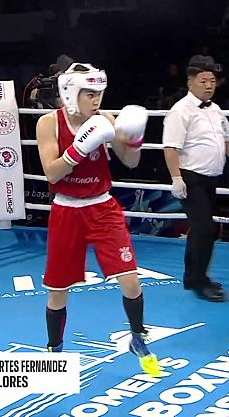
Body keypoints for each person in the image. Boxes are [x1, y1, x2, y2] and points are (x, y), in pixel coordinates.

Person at [35, 62, 161, 377]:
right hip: (66, 209)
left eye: (99, 92)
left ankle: (137, 338)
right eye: (89, 93)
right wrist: (78, 149)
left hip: (103, 207)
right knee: (58, 289)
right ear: (70, 92)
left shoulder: (106, 120)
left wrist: (133, 139)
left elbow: (131, 162)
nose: (96, 99)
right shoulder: (48, 124)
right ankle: (55, 351)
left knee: (131, 279)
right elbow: (51, 173)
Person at [162, 61, 229, 302]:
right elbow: (171, 147)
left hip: (211, 178)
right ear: (190, 83)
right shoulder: (180, 111)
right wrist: (176, 178)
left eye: (212, 81)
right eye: (203, 81)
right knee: (204, 229)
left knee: (202, 231)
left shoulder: (216, 110)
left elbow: (227, 139)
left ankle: (194, 277)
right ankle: (200, 281)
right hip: (191, 178)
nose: (209, 86)